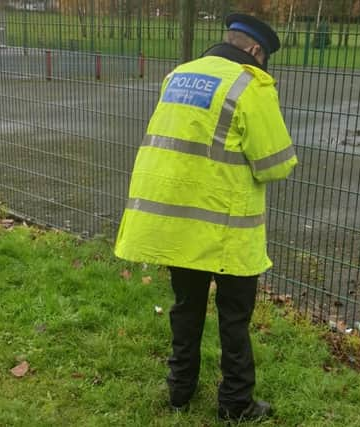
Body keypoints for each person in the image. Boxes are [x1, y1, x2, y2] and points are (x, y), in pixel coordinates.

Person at [114, 13, 297, 422]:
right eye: (263, 56)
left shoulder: (177, 76)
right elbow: (275, 164)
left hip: (178, 225)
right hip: (227, 230)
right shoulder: (251, 85)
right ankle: (235, 403)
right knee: (234, 317)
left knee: (186, 306)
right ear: (254, 51)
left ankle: (179, 390)